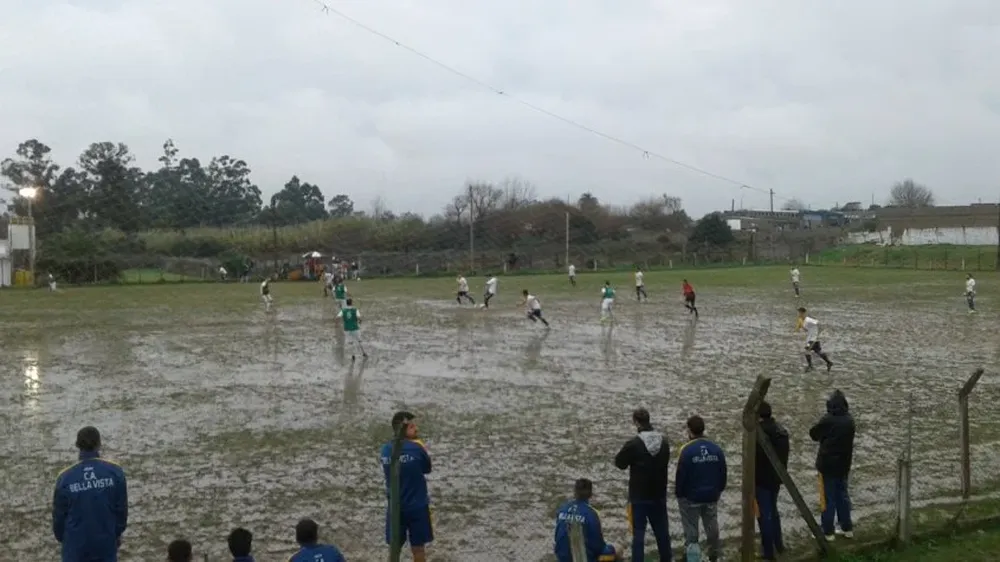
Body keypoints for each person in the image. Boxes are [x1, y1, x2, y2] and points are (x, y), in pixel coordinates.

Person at [52, 426, 128, 562]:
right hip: (105, 544)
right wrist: (114, 534)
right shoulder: (115, 472)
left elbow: (59, 520)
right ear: (99, 444)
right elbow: (121, 513)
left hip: (75, 548)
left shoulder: (65, 478)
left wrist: (66, 540)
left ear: (77, 445)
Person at [613, 408, 671, 562]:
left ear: (636, 422)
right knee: (662, 534)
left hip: (638, 496)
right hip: (659, 495)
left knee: (638, 536)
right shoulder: (664, 443)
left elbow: (619, 463)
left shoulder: (633, 444)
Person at [380, 411, 433, 562]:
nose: (416, 429)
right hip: (417, 506)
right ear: (402, 429)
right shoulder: (416, 449)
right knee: (418, 549)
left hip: (395, 507)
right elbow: (427, 468)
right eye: (411, 427)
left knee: (394, 549)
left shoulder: (385, 450)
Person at [675, 415, 726, 562]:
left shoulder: (686, 450)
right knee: (712, 526)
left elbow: (681, 475)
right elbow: (723, 472)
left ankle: (692, 557)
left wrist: (679, 494)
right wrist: (719, 490)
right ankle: (714, 554)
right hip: (711, 495)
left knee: (691, 530)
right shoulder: (716, 449)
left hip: (691, 497)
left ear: (689, 431)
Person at [810, 390, 856, 542]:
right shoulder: (850, 420)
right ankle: (847, 527)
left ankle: (827, 531)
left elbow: (813, 434)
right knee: (842, 496)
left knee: (827, 499)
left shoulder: (828, 420)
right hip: (844, 465)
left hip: (827, 466)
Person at [553, 479, 620, 562]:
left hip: (562, 557)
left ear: (574, 492)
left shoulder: (562, 509)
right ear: (591, 494)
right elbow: (598, 547)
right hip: (584, 558)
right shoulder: (591, 513)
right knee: (617, 548)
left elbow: (557, 537)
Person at [755, 401, 789, 561]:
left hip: (761, 480)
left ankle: (768, 552)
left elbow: (754, 458)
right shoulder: (781, 430)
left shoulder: (759, 433)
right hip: (776, 477)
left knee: (764, 515)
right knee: (773, 511)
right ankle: (779, 544)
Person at [796, 307, 833, 372]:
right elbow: (807, 329)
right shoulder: (803, 321)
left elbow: (818, 323)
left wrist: (821, 332)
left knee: (807, 351)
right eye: (798, 313)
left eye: (799, 313)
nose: (798, 314)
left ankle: (810, 366)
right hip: (812, 339)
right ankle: (829, 362)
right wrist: (801, 328)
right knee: (818, 352)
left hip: (813, 339)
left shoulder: (808, 320)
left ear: (803, 313)